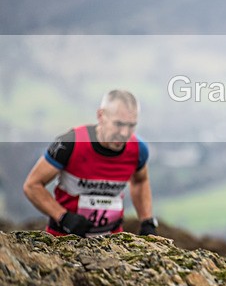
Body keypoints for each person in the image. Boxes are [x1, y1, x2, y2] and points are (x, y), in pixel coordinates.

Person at [22, 89, 158, 237]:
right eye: (118, 124)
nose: (125, 133)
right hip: (64, 239)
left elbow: (140, 181)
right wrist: (63, 216)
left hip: (112, 240)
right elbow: (32, 185)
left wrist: (147, 221)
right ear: (101, 116)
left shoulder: (138, 149)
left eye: (131, 125)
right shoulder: (71, 143)